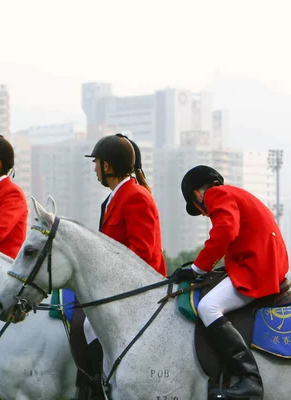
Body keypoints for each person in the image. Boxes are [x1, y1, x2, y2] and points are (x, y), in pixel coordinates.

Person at [172, 165, 289, 398]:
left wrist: (197, 269)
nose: (205, 214)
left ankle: (250, 378)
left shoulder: (216, 194)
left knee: (208, 306)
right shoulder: (235, 194)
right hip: (263, 261)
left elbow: (225, 231)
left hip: (257, 267)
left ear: (196, 195)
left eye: (200, 210)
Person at [71, 134, 167, 400]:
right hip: (117, 285)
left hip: (140, 289)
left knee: (90, 326)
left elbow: (142, 253)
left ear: (108, 167)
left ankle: (98, 386)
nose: (94, 169)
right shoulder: (115, 197)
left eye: (97, 163)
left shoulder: (135, 196)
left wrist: (105, 279)